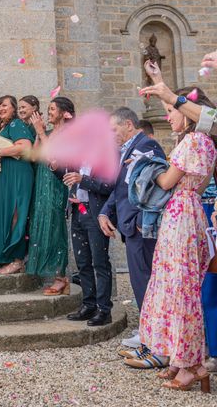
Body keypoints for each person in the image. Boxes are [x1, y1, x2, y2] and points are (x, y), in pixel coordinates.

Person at [133, 87, 216, 392]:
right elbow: (203, 182)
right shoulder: (206, 142)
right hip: (191, 209)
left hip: (180, 213)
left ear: (188, 113)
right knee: (180, 286)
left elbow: (168, 181)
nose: (168, 118)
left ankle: (193, 366)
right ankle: (182, 360)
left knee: (180, 289)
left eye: (171, 111)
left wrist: (145, 170)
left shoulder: (193, 140)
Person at [98, 107, 166, 355]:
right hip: (130, 224)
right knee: (139, 280)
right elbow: (120, 188)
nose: (111, 135)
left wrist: (139, 217)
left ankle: (154, 334)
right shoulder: (125, 149)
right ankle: (148, 328)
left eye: (114, 129)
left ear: (128, 124)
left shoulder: (148, 146)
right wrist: (105, 212)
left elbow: (153, 185)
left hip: (141, 226)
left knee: (146, 279)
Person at [26, 97, 74, 293]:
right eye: (48, 109)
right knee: (42, 224)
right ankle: (53, 273)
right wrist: (39, 134)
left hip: (57, 183)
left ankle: (61, 277)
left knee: (55, 227)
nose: (49, 112)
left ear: (64, 112)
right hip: (42, 182)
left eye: (52, 109)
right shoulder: (46, 133)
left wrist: (39, 132)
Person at [0, 96, 34, 272]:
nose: (0, 109)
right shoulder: (1, 129)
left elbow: (25, 147)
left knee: (15, 213)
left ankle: (17, 260)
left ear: (14, 108)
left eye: (4, 105)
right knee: (1, 214)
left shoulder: (16, 124)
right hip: (2, 177)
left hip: (17, 174)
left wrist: (0, 152)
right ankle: (2, 256)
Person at [63, 168, 114, 326]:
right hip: (77, 212)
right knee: (82, 262)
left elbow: (109, 186)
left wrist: (82, 180)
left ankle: (104, 310)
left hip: (95, 213)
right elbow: (64, 175)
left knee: (100, 263)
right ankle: (89, 305)